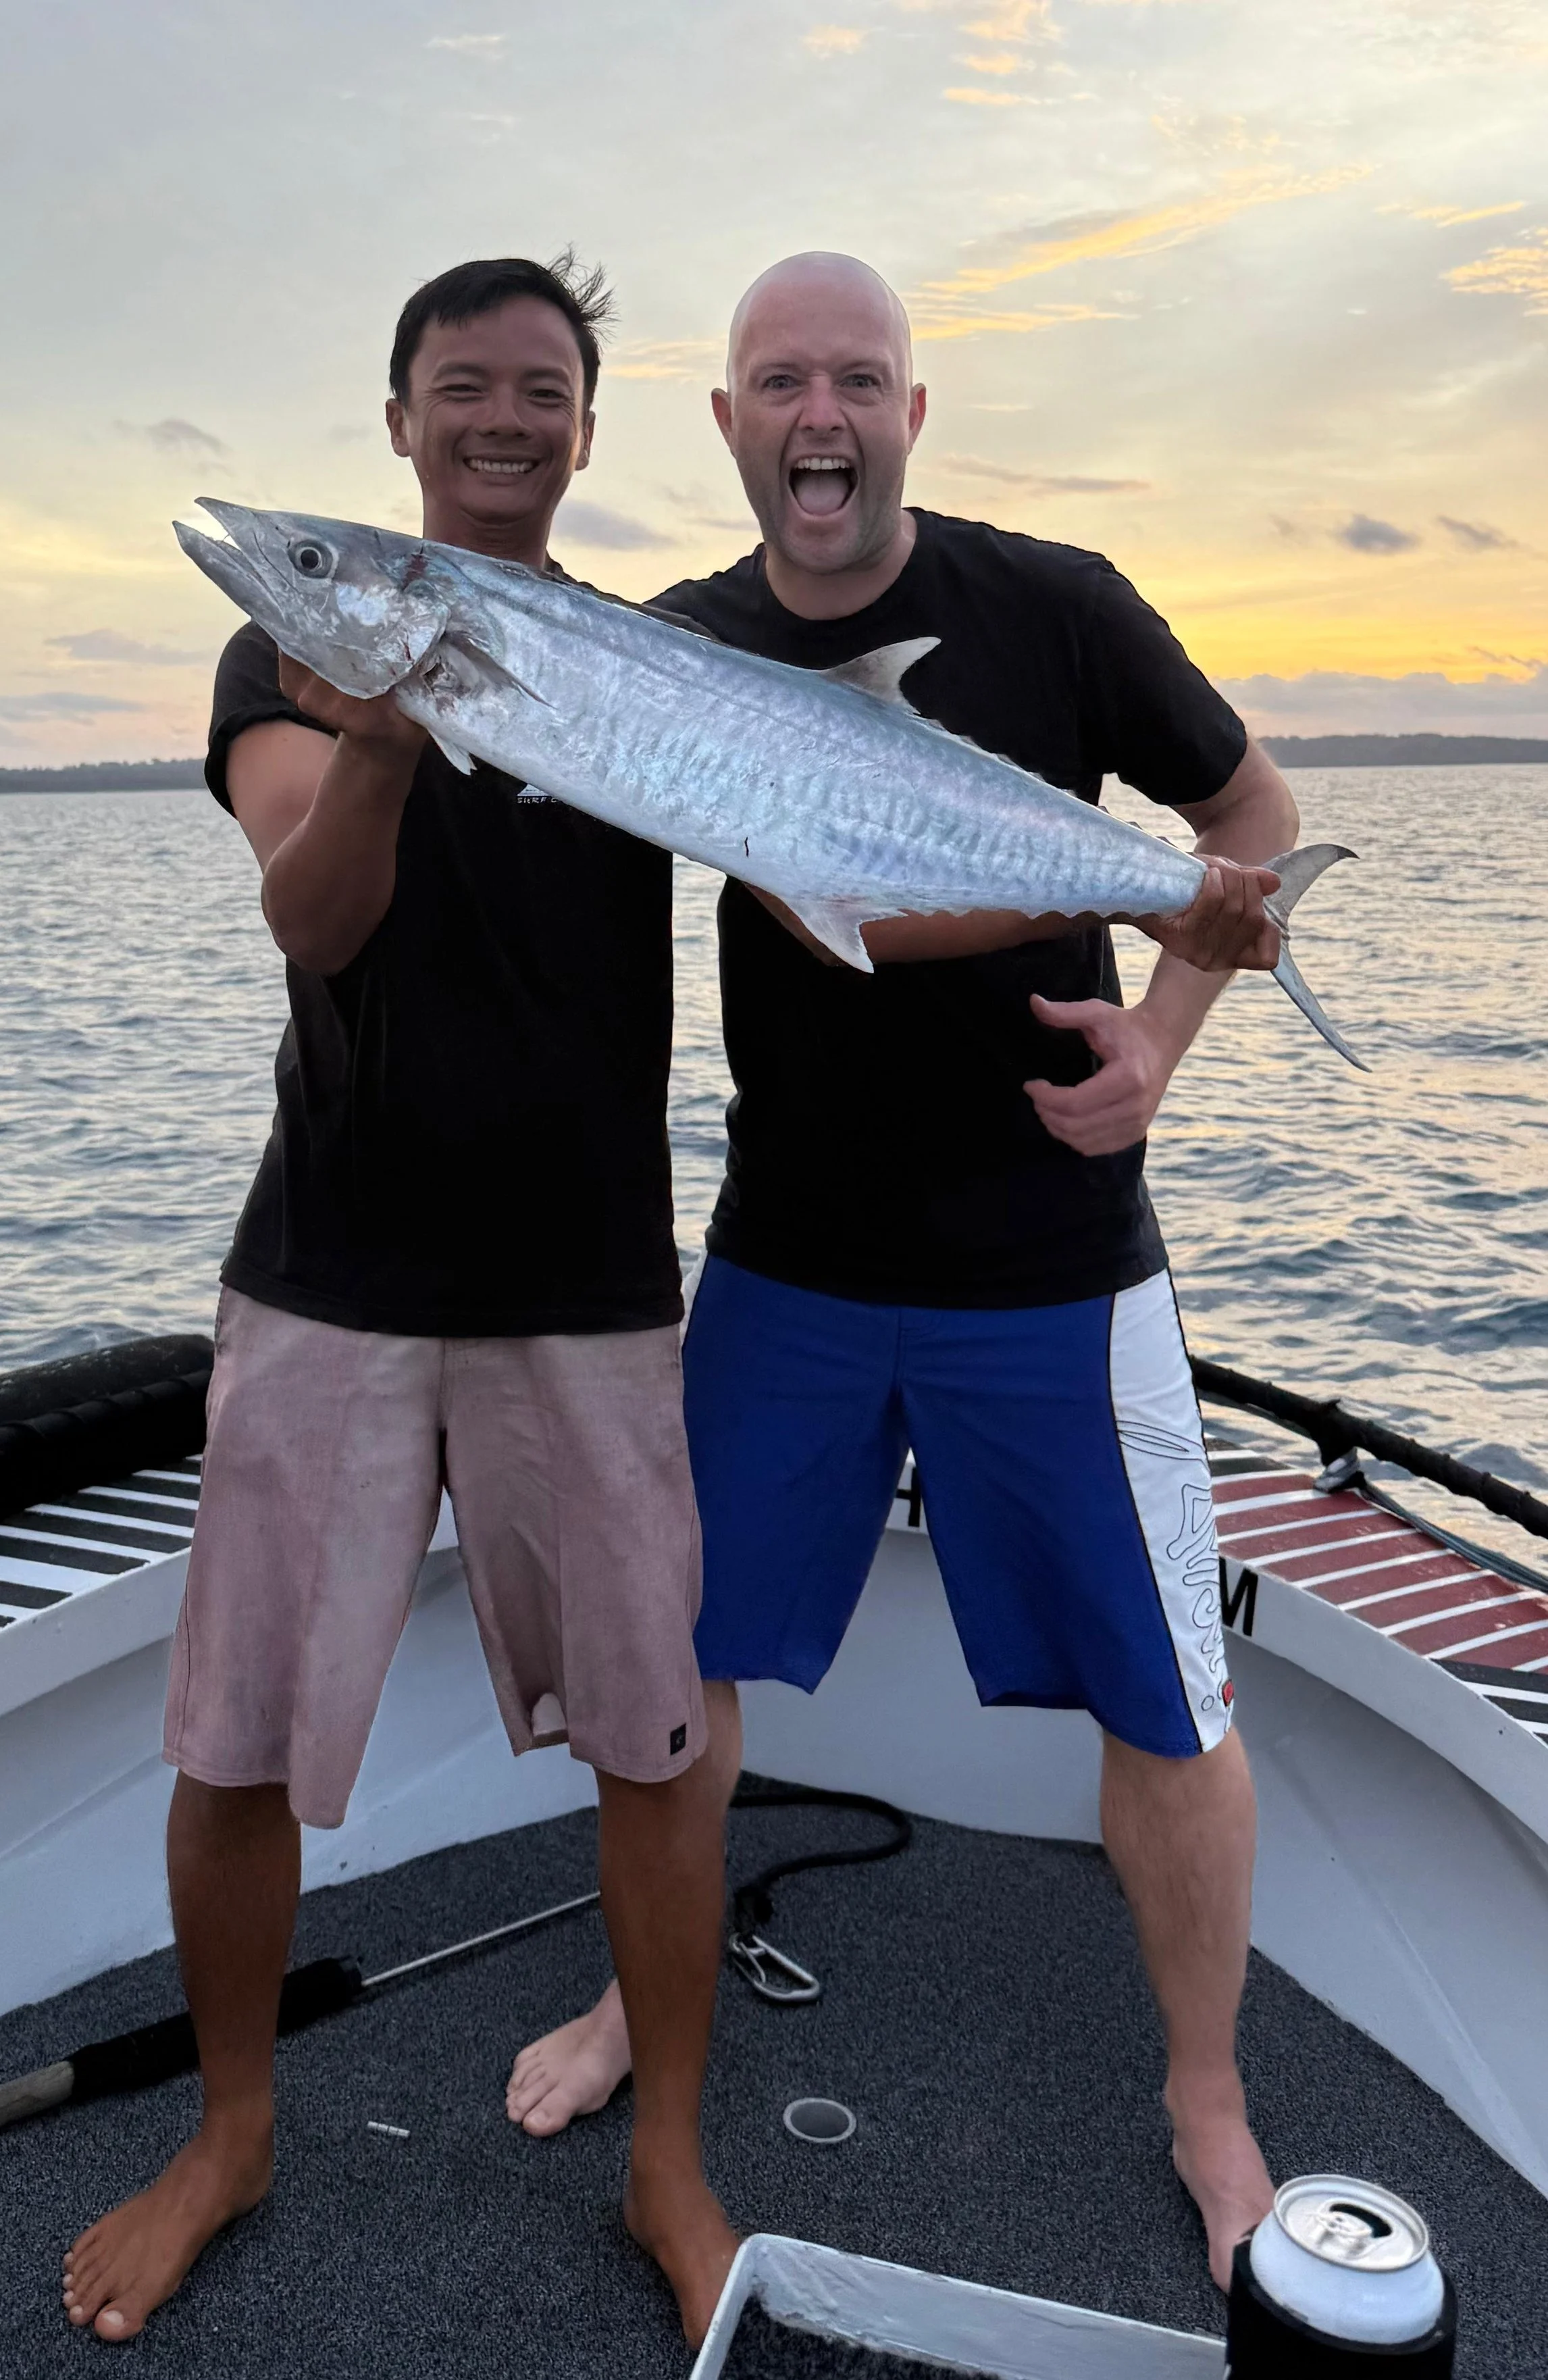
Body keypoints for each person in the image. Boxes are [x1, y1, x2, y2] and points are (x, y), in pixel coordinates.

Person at [508, 251, 1292, 2292]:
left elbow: (1245, 825)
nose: (820, 416)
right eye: (779, 381)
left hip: (1055, 1262)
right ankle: (639, 2000)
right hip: (787, 1260)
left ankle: (1203, 2098)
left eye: (858, 378)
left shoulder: (1060, 605)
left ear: (913, 413)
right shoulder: (679, 649)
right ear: (729, 426)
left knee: (1166, 1699)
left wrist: (1159, 1051)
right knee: (675, 1685)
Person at [61, 254, 738, 2350]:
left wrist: (1172, 902)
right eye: (464, 388)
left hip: (592, 1282)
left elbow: (835, 836)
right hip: (335, 1271)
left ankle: (670, 2160)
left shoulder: (646, 660)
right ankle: (234, 2130)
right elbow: (316, 919)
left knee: (654, 1739)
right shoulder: (282, 658)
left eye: (543, 389)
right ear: (402, 419)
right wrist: (384, 720)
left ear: (589, 428)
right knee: (238, 1743)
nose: (505, 420)